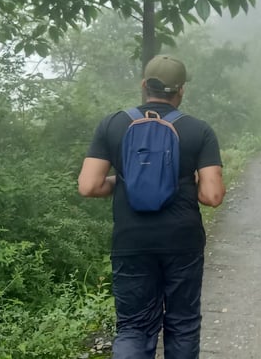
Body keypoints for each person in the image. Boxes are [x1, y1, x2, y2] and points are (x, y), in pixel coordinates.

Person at [78, 55, 226, 359]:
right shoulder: (198, 130)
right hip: (182, 241)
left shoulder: (112, 124)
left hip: (131, 241)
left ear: (144, 85)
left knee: (133, 327)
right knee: (182, 324)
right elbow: (212, 196)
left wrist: (126, 181)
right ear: (181, 89)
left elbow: (89, 186)